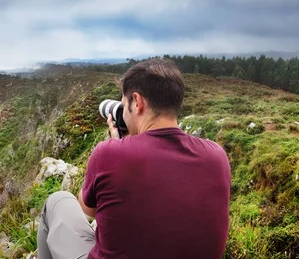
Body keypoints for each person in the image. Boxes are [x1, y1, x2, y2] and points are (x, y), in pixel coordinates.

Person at [37, 59, 231, 259]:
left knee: (58, 200)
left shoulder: (109, 153)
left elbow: (88, 209)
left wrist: (117, 146)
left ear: (137, 102)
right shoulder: (217, 155)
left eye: (124, 105)